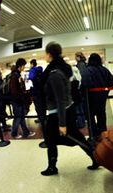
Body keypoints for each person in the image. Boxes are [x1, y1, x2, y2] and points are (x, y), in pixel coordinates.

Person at [40, 42, 98, 176]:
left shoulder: (54, 73)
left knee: (59, 139)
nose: (45, 56)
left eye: (45, 53)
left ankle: (52, 167)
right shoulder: (64, 68)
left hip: (59, 113)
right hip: (66, 109)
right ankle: (95, 158)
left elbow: (60, 99)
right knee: (71, 138)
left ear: (49, 54)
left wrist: (62, 124)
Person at [81, 53, 113, 140]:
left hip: (90, 99)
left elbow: (85, 83)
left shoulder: (87, 70)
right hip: (102, 98)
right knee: (101, 115)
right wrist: (105, 93)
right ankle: (103, 134)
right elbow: (111, 82)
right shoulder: (105, 70)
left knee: (90, 117)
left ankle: (94, 135)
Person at [10, 58, 36, 139]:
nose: (24, 68)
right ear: (20, 66)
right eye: (24, 66)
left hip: (19, 100)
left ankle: (26, 132)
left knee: (21, 117)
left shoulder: (17, 75)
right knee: (18, 117)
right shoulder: (15, 76)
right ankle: (14, 133)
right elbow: (14, 91)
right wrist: (21, 96)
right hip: (17, 101)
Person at [28, 59, 47, 148]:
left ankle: (42, 122)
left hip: (36, 94)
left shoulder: (32, 71)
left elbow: (30, 78)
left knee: (38, 108)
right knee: (42, 108)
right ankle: (43, 120)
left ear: (32, 64)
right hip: (42, 94)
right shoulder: (40, 70)